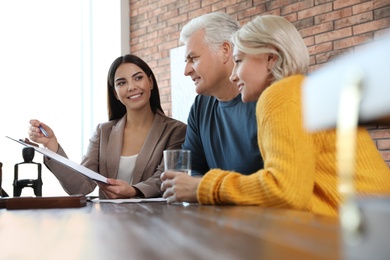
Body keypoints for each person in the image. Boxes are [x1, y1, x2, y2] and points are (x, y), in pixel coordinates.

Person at [161, 15, 390, 217]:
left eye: (239, 61)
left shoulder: (280, 95)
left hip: (360, 232)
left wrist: (204, 187)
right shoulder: (297, 91)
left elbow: (285, 189)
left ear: (271, 59)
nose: (233, 76)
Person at [29, 54, 186, 199]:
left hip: (156, 223)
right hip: (108, 223)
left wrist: (133, 190)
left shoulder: (176, 131)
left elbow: (166, 178)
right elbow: (81, 186)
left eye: (138, 78)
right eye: (122, 83)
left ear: (150, 82)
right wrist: (51, 145)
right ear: (116, 93)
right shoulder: (103, 132)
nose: (131, 87)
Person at [179, 12, 263, 177]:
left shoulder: (266, 97)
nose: (186, 71)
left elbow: (279, 182)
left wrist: (204, 188)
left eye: (193, 58)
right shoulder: (200, 105)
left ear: (225, 50)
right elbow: (191, 171)